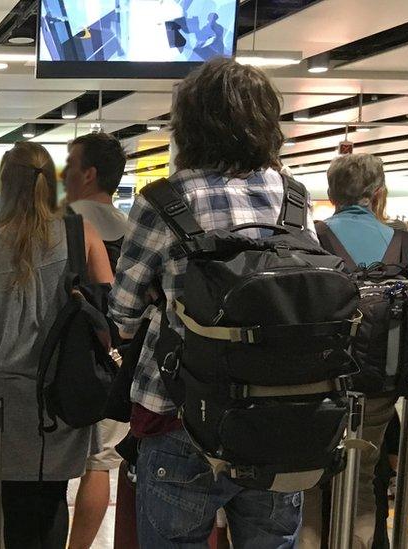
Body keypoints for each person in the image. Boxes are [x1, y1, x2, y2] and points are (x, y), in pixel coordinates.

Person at [108, 57, 305, 547]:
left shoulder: (165, 200)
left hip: (182, 412)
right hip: (279, 414)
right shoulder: (294, 198)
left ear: (188, 125)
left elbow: (124, 310)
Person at [0, 142, 113, 548]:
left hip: (3, 405)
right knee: (51, 502)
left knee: (11, 511)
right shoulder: (82, 236)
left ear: (3, 187)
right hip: (63, 396)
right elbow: (108, 321)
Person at [299, 154, 408, 549]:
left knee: (310, 482)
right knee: (363, 481)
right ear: (378, 194)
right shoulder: (407, 243)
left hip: (316, 383)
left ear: (332, 195)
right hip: (380, 383)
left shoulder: (311, 237)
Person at [61, 131, 131, 549]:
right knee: (100, 461)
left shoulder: (61, 224)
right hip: (113, 360)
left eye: (69, 165)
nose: (63, 174)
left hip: (60, 358)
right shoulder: (135, 229)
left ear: (88, 174)